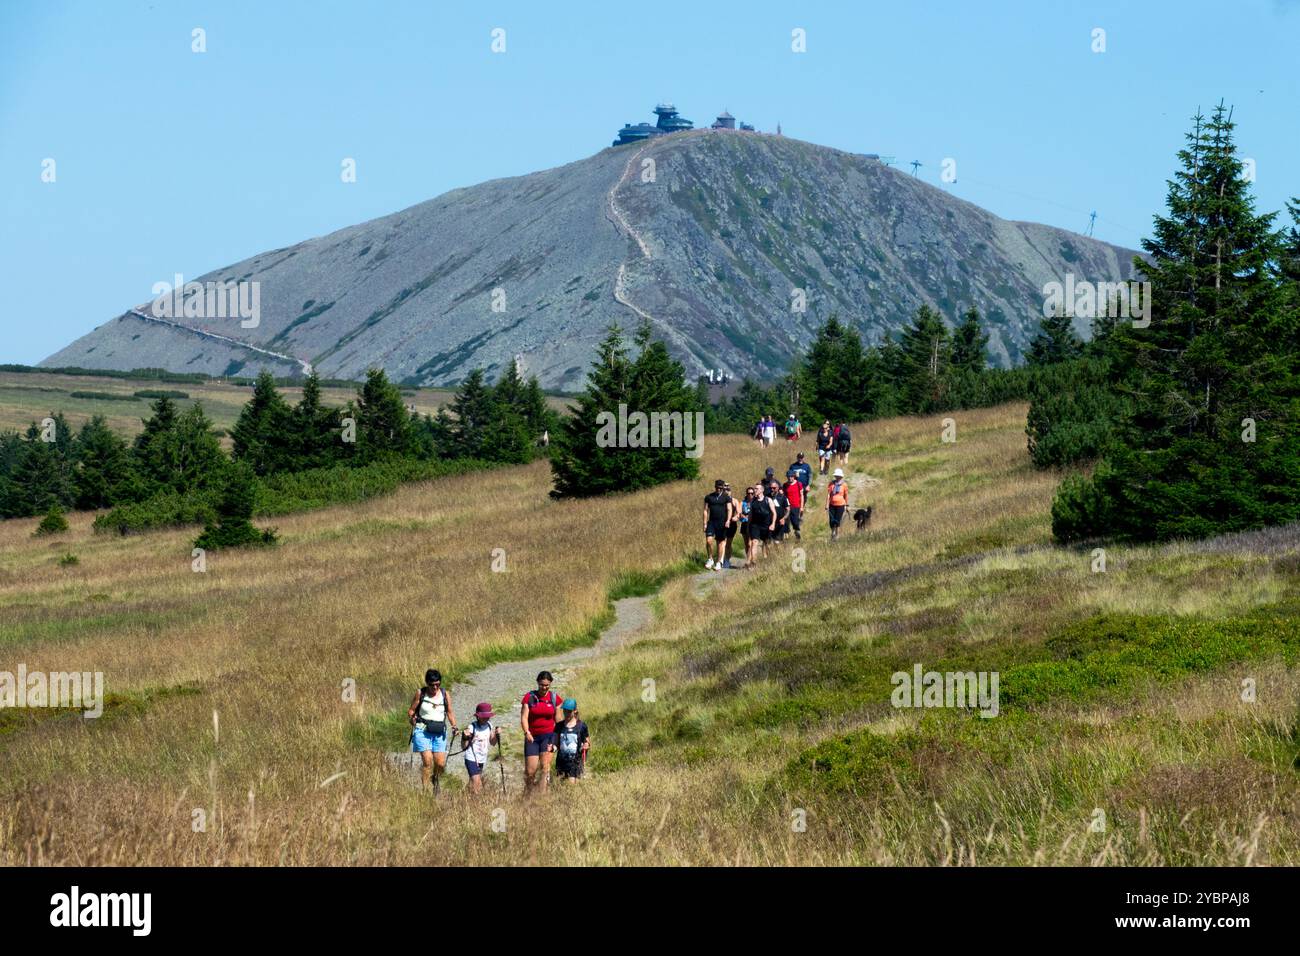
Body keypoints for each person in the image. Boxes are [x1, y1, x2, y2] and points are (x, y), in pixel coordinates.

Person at [408, 669, 458, 793]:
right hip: (422, 730)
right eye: (432, 684)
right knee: (427, 761)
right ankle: (425, 790)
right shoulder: (421, 693)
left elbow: (450, 712)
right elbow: (411, 710)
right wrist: (412, 718)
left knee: (440, 764)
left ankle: (435, 779)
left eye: (437, 684)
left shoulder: (445, 694)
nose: (435, 687)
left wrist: (454, 726)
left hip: (439, 732)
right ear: (427, 683)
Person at [521, 671, 562, 792]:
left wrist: (557, 739)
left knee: (545, 768)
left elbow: (558, 720)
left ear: (550, 684)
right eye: (542, 685)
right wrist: (526, 732)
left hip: (548, 737)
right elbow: (524, 717)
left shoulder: (555, 698)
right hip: (532, 738)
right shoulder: (529, 697)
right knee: (530, 771)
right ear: (537, 683)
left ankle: (542, 796)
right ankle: (528, 793)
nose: (544, 687)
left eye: (547, 685)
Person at [461, 702, 500, 795]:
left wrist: (497, 735)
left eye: (488, 716)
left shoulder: (490, 725)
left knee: (473, 781)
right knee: (477, 783)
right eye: (484, 716)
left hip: (482, 759)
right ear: (478, 716)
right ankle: (476, 802)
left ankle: (465, 797)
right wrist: (465, 737)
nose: (486, 718)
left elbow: (493, 743)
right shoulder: (472, 727)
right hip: (471, 758)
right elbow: (464, 747)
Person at [554, 698, 590, 783]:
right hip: (561, 761)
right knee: (560, 786)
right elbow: (555, 743)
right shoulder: (559, 726)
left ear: (575, 711)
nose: (566, 714)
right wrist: (552, 747)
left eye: (569, 711)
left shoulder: (581, 726)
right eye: (565, 711)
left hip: (576, 761)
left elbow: (587, 741)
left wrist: (586, 745)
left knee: (571, 785)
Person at [702, 479, 733, 570]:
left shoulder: (726, 497)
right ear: (715, 487)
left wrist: (728, 521)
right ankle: (710, 559)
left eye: (720, 488)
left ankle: (719, 561)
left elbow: (729, 509)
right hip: (711, 522)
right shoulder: (709, 497)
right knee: (709, 541)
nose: (718, 489)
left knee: (720, 543)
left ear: (723, 488)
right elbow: (705, 510)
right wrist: (704, 523)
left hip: (722, 523)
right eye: (717, 487)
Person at [749, 484, 777, 560]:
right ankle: (753, 562)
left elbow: (774, 513)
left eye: (757, 489)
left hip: (766, 525)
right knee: (754, 542)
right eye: (755, 488)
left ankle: (766, 558)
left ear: (762, 490)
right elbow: (750, 514)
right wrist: (749, 525)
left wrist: (773, 524)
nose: (755, 490)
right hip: (755, 525)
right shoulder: (752, 501)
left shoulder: (768, 500)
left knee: (766, 543)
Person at [721, 482, 740, 569]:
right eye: (725, 490)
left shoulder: (734, 500)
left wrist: (736, 516)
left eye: (728, 490)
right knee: (722, 542)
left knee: (728, 543)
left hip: (732, 524)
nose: (727, 491)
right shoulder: (720, 500)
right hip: (721, 524)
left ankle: (727, 559)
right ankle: (721, 559)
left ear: (731, 491)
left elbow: (739, 511)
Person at [827, 467, 849, 541]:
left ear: (841, 476)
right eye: (836, 476)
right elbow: (828, 494)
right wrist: (826, 504)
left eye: (839, 476)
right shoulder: (831, 484)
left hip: (841, 505)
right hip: (832, 505)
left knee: (837, 521)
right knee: (831, 521)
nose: (837, 477)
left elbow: (846, 495)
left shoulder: (844, 485)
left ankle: (837, 535)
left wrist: (846, 505)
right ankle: (832, 532)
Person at [783, 470, 804, 541]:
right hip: (787, 507)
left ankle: (797, 533)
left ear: (794, 476)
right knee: (786, 522)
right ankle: (786, 537)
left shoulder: (799, 484)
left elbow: (802, 496)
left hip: (796, 506)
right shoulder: (785, 485)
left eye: (791, 476)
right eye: (788, 477)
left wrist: (801, 507)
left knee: (795, 522)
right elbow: (784, 496)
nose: (790, 478)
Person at [768, 478, 789, 546]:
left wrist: (784, 518)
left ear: (778, 488)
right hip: (769, 522)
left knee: (777, 542)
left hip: (779, 522)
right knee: (769, 541)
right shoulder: (767, 497)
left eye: (774, 488)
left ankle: (778, 554)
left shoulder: (783, 497)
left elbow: (788, 509)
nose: (772, 489)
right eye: (770, 488)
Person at [739, 486, 755, 568]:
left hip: (752, 524)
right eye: (748, 493)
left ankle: (748, 562)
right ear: (746, 494)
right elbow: (739, 512)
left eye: (752, 493)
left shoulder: (755, 502)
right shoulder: (743, 502)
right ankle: (750, 558)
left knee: (749, 543)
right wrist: (742, 515)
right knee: (746, 544)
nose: (750, 495)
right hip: (744, 524)